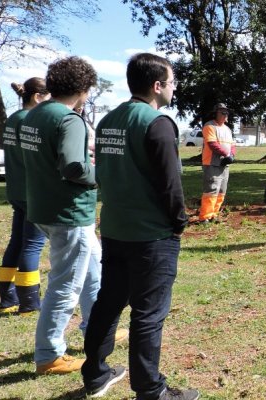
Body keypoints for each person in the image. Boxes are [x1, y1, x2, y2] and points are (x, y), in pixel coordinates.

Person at [80, 53, 198, 400]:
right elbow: (170, 183)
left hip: (115, 228)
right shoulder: (157, 123)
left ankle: (95, 373)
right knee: (148, 314)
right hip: (151, 235)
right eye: (172, 82)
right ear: (157, 85)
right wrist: (179, 222)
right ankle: (150, 390)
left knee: (109, 302)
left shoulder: (108, 121)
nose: (175, 88)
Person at [19, 56, 102, 374]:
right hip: (69, 212)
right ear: (83, 89)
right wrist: (100, 174)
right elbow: (73, 167)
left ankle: (97, 330)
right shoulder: (69, 119)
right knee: (66, 285)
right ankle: (49, 354)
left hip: (43, 207)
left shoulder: (35, 114)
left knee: (93, 270)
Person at [0, 78, 50, 314]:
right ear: (37, 97)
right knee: (33, 244)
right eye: (49, 99)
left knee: (17, 242)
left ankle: (8, 299)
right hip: (32, 192)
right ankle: (29, 302)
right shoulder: (31, 120)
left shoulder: (13, 119)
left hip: (16, 190)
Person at [198, 103, 236, 223]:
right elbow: (212, 144)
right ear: (216, 113)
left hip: (225, 164)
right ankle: (205, 217)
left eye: (226, 112)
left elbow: (232, 145)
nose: (225, 114)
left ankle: (214, 214)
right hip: (211, 163)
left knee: (221, 191)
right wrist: (226, 154)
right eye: (222, 112)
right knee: (211, 190)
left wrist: (232, 155)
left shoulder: (228, 129)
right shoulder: (209, 126)